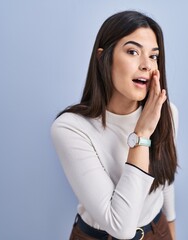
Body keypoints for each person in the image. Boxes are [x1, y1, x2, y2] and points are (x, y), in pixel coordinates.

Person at [51, 10, 178, 240]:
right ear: (102, 57)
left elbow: (164, 181)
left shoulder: (167, 113)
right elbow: (120, 227)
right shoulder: (71, 128)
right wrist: (141, 134)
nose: (146, 66)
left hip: (157, 231)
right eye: (132, 52)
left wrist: (170, 226)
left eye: (153, 56)